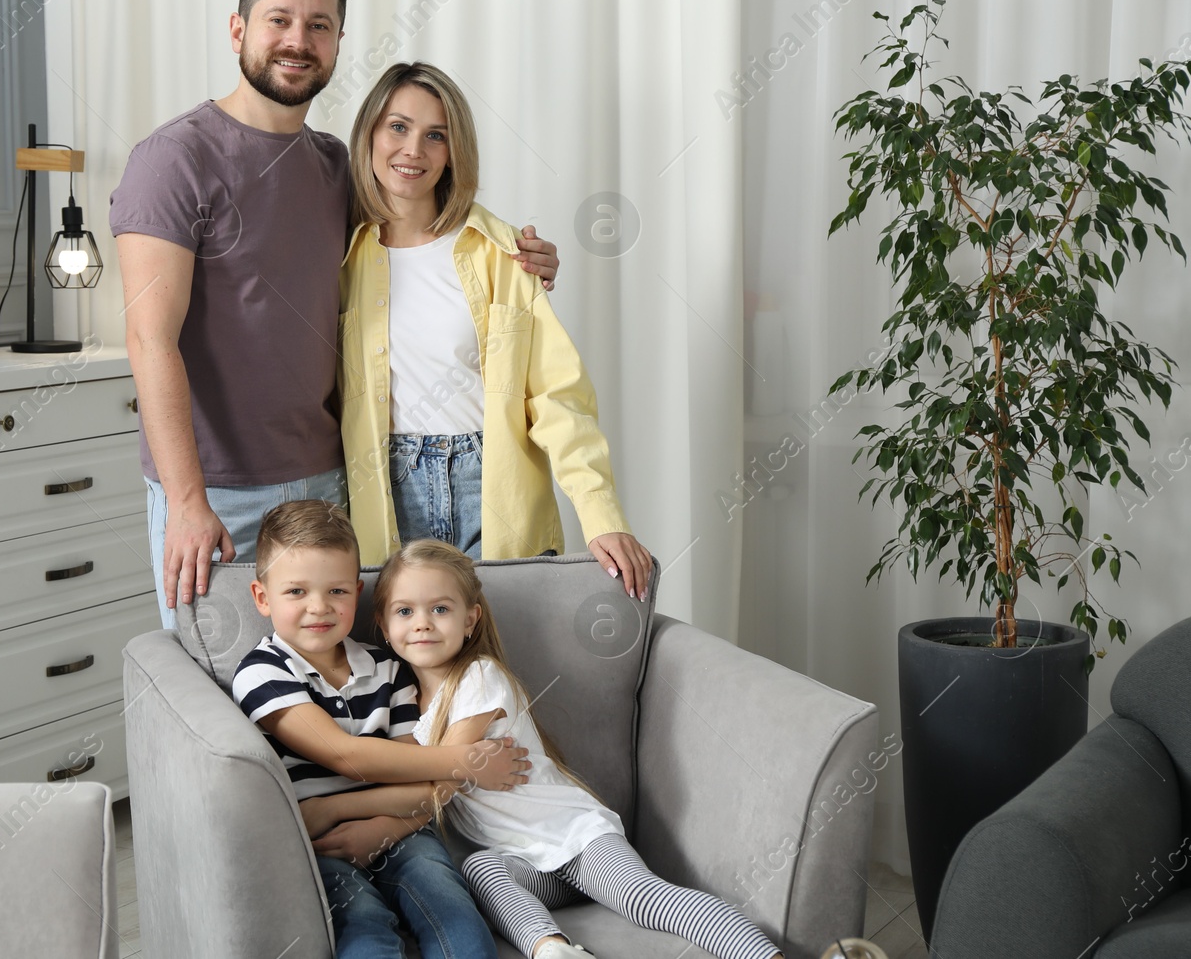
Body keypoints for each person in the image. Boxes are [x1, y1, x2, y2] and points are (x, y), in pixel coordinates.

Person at [110, 0, 561, 626]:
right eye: (280, 20)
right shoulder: (174, 159)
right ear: (238, 30)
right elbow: (149, 339)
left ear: (338, 43)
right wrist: (186, 501)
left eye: (319, 25)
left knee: (335, 681)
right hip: (217, 491)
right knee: (220, 691)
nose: (299, 40)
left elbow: (418, 240)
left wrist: (517, 254)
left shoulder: (335, 168)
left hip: (330, 482)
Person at [374, 539, 787, 959]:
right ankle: (552, 949)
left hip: (577, 836)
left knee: (644, 899)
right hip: (527, 862)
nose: (422, 623)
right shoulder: (407, 709)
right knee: (481, 870)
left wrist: (340, 816)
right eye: (405, 611)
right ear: (385, 626)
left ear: (470, 619)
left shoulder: (480, 677)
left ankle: (763, 955)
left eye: (440, 609)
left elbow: (437, 785)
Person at [338, 62, 652, 599]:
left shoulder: (503, 251)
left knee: (504, 654)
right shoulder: (340, 254)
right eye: (398, 126)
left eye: (435, 135)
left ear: (454, 151)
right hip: (385, 488)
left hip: (491, 483)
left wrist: (602, 514)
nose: (413, 149)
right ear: (368, 132)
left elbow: (557, 396)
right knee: (409, 662)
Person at [232, 500, 526, 959]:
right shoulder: (264, 672)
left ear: (357, 590)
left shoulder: (388, 667)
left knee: (451, 909)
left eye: (336, 592)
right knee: (364, 922)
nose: (318, 608)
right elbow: (345, 755)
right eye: (295, 592)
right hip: (319, 841)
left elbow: (421, 784)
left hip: (402, 831)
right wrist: (467, 763)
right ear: (262, 596)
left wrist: (386, 827)